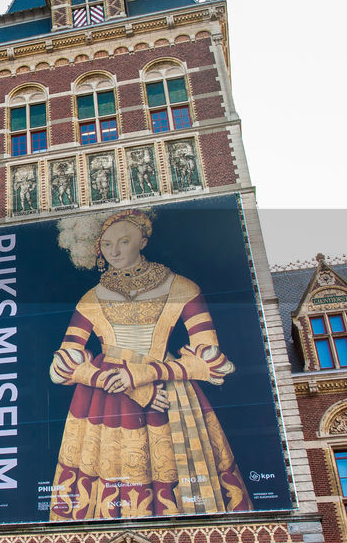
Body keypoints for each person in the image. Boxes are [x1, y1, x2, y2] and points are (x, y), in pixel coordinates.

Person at [47, 208, 251, 520]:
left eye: (124, 241)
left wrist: (148, 373)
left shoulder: (182, 287)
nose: (114, 251)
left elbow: (213, 361)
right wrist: (112, 381)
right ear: (96, 249)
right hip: (105, 403)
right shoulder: (90, 299)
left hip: (171, 398)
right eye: (106, 245)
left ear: (143, 239)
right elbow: (61, 365)